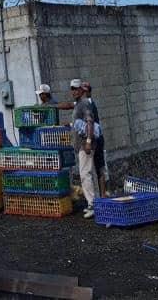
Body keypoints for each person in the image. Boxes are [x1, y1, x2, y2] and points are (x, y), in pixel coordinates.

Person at [71, 79, 99, 218]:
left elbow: (90, 121)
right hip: (81, 145)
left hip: (85, 145)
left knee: (85, 174)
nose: (74, 91)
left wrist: (88, 141)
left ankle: (92, 204)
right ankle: (93, 202)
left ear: (82, 91)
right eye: (72, 89)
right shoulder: (78, 105)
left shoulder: (84, 104)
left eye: (76, 89)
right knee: (87, 173)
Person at [83, 81, 107, 196]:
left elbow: (89, 123)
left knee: (94, 169)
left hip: (94, 140)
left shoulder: (87, 105)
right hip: (97, 138)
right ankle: (102, 195)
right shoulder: (90, 103)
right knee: (99, 167)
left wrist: (88, 141)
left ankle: (99, 196)